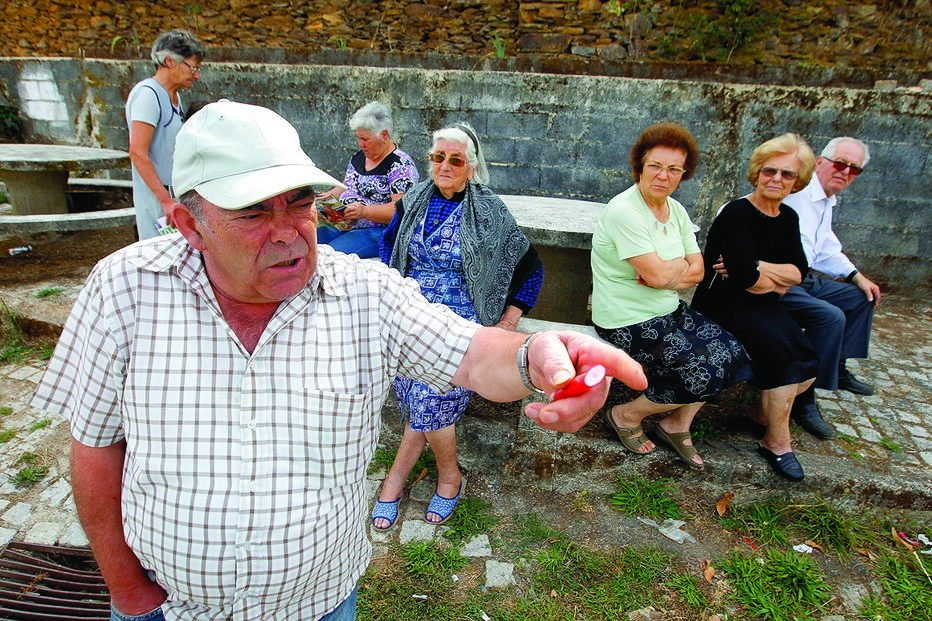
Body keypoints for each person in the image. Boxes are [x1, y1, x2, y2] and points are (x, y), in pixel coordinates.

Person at [30, 101, 646, 621]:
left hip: (319, 603)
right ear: (190, 224)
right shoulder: (124, 289)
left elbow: (473, 353)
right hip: (169, 606)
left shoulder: (364, 292)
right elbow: (94, 444)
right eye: (252, 212)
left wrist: (536, 354)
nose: (289, 231)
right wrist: (127, 591)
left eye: (299, 203)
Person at [371, 123, 544, 530]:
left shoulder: (488, 209)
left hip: (460, 323)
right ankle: (437, 477)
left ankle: (423, 480)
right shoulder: (413, 198)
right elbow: (389, 247)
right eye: (438, 157)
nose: (444, 166)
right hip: (409, 316)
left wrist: (509, 319)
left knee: (430, 398)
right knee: (421, 400)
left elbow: (529, 266)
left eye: (455, 160)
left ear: (472, 166)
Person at [590, 122, 752, 470]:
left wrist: (665, 273)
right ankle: (625, 415)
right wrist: (673, 270)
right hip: (626, 319)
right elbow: (675, 272)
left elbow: (699, 269)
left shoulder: (675, 210)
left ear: (683, 174)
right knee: (702, 372)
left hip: (668, 310)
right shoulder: (625, 212)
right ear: (640, 167)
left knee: (733, 353)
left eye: (674, 169)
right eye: (656, 166)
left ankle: (676, 424)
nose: (664, 176)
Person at [691, 133, 820, 482]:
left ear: (798, 181)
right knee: (783, 356)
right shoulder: (737, 213)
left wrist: (762, 269)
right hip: (723, 303)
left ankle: (762, 412)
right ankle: (776, 442)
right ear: (757, 173)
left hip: (761, 305)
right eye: (769, 171)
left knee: (807, 358)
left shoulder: (788, 218)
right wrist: (765, 276)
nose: (776, 179)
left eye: (786, 174)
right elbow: (746, 280)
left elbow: (798, 273)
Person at [780, 137, 881, 440]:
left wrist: (857, 276)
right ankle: (803, 400)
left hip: (804, 277)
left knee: (862, 297)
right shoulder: (796, 193)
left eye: (854, 170)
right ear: (821, 162)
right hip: (781, 279)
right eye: (840, 164)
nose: (845, 172)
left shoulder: (825, 200)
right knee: (830, 317)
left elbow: (825, 248)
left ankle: (837, 365)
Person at [125, 29, 205, 240]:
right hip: (159, 202)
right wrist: (165, 201)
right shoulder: (148, 95)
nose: (196, 75)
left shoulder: (174, 97)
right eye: (193, 67)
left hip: (175, 196)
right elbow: (137, 153)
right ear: (169, 61)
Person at [316, 101, 419, 258]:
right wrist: (328, 198)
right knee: (312, 239)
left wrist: (364, 211)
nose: (360, 144)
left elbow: (402, 210)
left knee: (331, 255)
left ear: (384, 135)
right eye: (358, 138)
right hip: (346, 223)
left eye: (365, 139)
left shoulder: (401, 165)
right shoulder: (359, 157)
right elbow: (347, 186)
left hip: (379, 231)